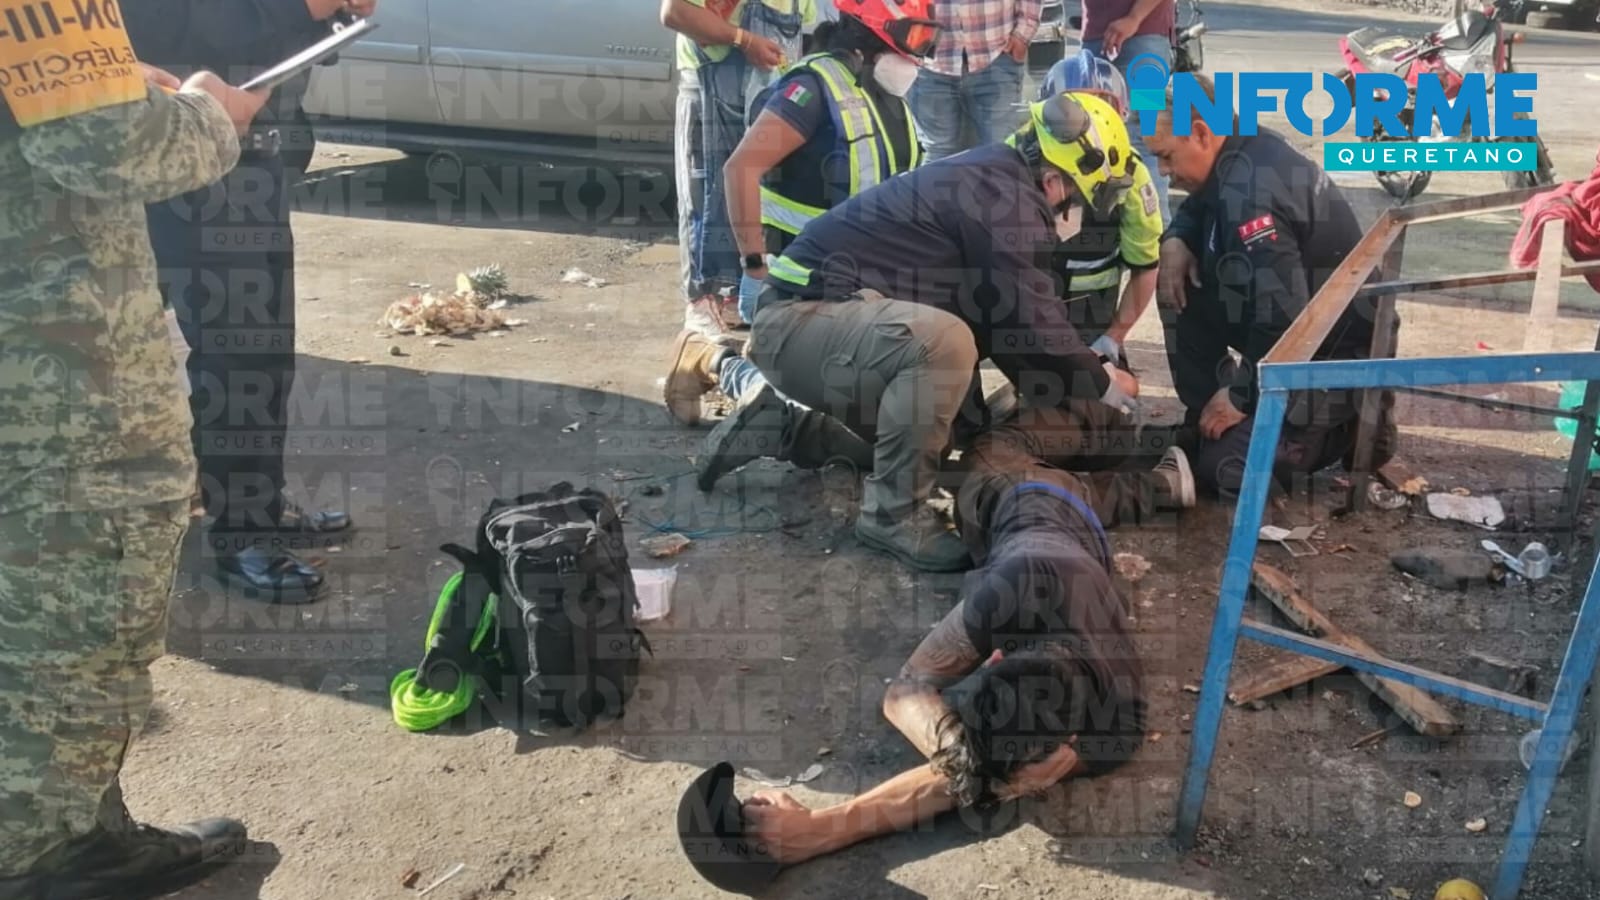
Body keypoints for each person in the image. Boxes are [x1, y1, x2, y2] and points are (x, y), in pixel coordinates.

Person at [0, 32, 263, 896]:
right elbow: (110, 144)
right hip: (56, 380)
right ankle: (50, 851)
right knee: (80, 612)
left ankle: (69, 821)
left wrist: (113, 85)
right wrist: (206, 113)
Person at [723, 92, 1145, 573]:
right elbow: (1037, 325)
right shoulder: (1008, 202)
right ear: (1054, 180)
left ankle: (790, 429)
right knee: (944, 342)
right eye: (1081, 201)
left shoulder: (995, 179)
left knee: (937, 439)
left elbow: (1011, 331)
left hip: (825, 327)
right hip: (798, 322)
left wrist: (1041, 395)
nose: (1078, 217)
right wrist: (1107, 388)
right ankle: (892, 515)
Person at [737, 454, 1154, 863]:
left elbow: (991, 769)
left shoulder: (1122, 710)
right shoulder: (1013, 588)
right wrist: (968, 760)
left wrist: (822, 829)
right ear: (990, 660)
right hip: (999, 486)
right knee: (977, 458)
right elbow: (903, 691)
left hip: (1074, 513)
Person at [131, 0, 371, 603]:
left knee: (266, 346)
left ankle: (260, 506)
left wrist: (330, 16)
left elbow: (275, 41)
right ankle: (240, 532)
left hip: (255, 151)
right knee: (233, 349)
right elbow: (164, 23)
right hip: (181, 154)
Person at [663, 0, 938, 489]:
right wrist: (754, 266)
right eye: (906, 47)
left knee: (893, 421)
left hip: (860, 288)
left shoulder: (884, 95)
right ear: (867, 39)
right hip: (797, 287)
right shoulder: (810, 88)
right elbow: (739, 168)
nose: (914, 62)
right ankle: (713, 360)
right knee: (829, 430)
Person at [1144, 73, 1397, 498]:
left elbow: (1283, 315)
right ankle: (1208, 417)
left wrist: (1242, 396)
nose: (1165, 174)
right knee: (1175, 283)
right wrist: (1176, 237)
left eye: (1167, 158)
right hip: (1296, 323)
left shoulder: (1251, 193)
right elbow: (1200, 201)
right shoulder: (1240, 146)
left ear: (1202, 133)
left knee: (1225, 471)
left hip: (1329, 355)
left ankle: (1353, 427)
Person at [661, 0, 816, 338]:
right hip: (713, 89)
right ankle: (701, 306)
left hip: (767, 90)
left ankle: (733, 298)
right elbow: (675, 13)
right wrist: (745, 40)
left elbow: (804, 29)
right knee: (708, 199)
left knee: (752, 197)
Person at [1080, 0, 1175, 224]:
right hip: (1098, 37)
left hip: (1141, 38)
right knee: (1097, 143)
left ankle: (1158, 241)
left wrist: (1134, 17)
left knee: (1146, 140)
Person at [907, 0, 1039, 161]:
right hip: (929, 60)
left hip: (996, 55)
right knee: (938, 156)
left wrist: (1023, 34)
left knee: (1000, 154)